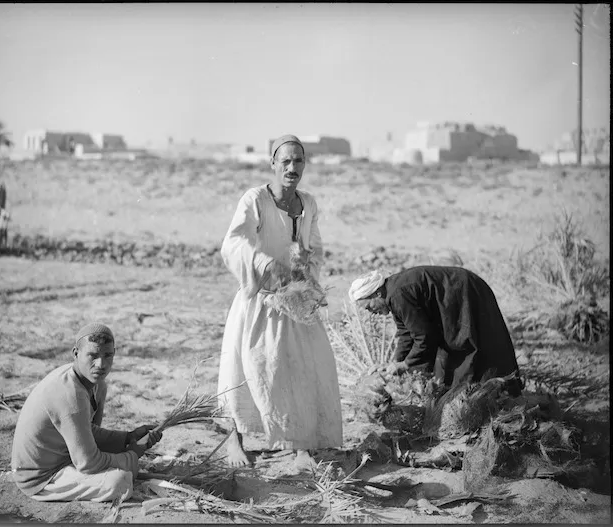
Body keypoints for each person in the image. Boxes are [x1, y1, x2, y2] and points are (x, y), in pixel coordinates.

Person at [217, 134, 343, 472]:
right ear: (272, 163)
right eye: (285, 161)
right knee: (246, 367)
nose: (292, 167)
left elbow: (315, 248)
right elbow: (233, 244)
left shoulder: (309, 203)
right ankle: (234, 438)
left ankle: (299, 443)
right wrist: (264, 264)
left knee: (301, 367)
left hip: (295, 302)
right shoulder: (255, 199)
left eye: (298, 161)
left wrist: (304, 267)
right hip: (259, 300)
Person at [11, 322, 163, 502]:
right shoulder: (70, 394)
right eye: (92, 355)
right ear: (76, 353)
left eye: (108, 355)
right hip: (41, 477)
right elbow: (89, 463)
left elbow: (88, 431)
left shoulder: (97, 385)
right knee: (119, 482)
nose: (101, 364)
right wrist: (132, 456)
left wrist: (127, 438)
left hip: (68, 455)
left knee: (120, 470)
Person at [349, 266, 522, 396]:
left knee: (476, 344)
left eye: (368, 306)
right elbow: (406, 333)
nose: (370, 312)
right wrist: (395, 363)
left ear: (377, 294)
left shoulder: (397, 294)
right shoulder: (393, 294)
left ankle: (499, 391)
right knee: (454, 356)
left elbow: (424, 336)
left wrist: (406, 364)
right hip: (456, 295)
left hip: (465, 292)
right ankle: (476, 393)